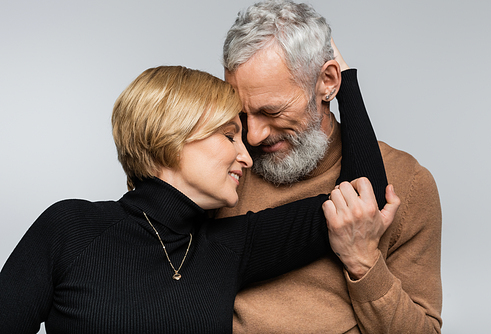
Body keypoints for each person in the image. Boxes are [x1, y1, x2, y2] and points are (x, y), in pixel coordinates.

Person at [0, 66, 398, 333]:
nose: (246, 155)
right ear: (169, 138)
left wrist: (344, 80)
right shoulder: (70, 228)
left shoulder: (232, 246)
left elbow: (362, 197)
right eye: (229, 136)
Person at [218, 0, 442, 333]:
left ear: (327, 82)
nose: (253, 134)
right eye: (243, 113)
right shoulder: (219, 171)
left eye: (272, 111)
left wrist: (363, 262)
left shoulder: (407, 183)